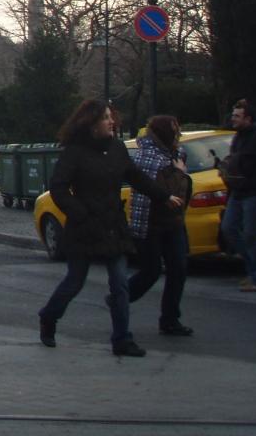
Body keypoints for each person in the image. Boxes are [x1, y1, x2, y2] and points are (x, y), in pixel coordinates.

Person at [37, 99, 181, 357]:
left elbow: (136, 177)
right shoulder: (74, 152)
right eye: (105, 117)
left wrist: (163, 196)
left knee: (120, 284)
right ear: (91, 123)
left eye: (111, 116)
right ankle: (49, 317)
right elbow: (58, 188)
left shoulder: (117, 148)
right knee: (75, 281)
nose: (112, 121)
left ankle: (122, 339)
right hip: (84, 229)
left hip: (113, 226)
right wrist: (80, 213)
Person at [126, 115, 194, 336]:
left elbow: (181, 193)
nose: (178, 135)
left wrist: (180, 174)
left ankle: (170, 319)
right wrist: (180, 173)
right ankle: (120, 298)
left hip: (173, 221)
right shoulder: (148, 157)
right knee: (151, 271)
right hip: (149, 222)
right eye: (174, 130)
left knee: (178, 269)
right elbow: (164, 192)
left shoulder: (176, 154)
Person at [219, 99, 256, 292]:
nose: (233, 119)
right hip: (237, 191)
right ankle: (255, 266)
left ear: (248, 119)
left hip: (253, 192)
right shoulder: (238, 137)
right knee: (229, 228)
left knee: (252, 235)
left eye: (237, 116)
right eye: (233, 115)